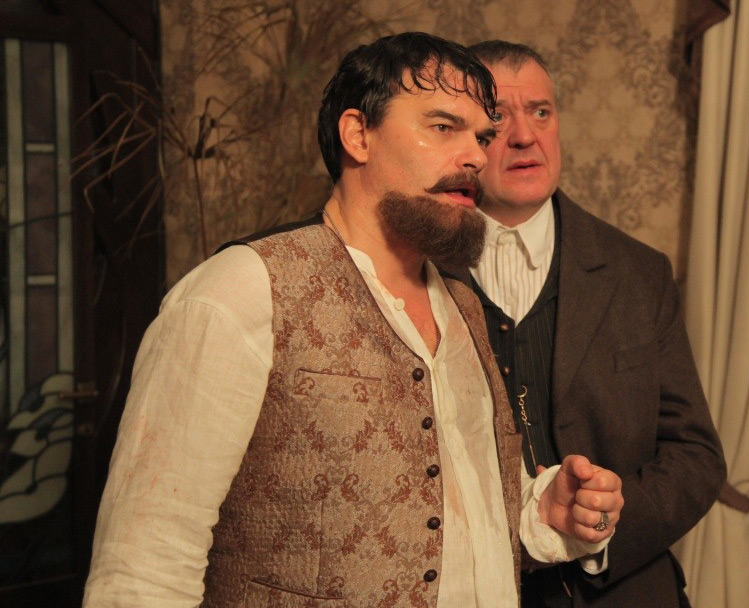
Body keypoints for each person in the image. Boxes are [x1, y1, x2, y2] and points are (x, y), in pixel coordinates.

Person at [83, 32, 625, 608]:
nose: (475, 157)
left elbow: (456, 515)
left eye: (481, 137)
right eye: (444, 127)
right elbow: (144, 571)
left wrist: (543, 512)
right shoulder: (241, 292)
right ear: (358, 135)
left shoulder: (463, 307)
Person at [438, 40, 725, 608]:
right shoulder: (414, 269)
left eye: (540, 112)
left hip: (624, 592)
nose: (525, 136)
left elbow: (695, 455)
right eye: (498, 118)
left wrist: (601, 528)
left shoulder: (639, 273)